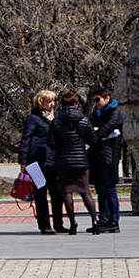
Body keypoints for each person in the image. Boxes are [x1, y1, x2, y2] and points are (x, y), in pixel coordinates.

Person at [51, 90, 97, 233]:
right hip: (81, 161)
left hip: (63, 161)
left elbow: (51, 142)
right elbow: (93, 140)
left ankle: (72, 223)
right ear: (76, 104)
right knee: (85, 192)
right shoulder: (84, 120)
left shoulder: (57, 121)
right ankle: (95, 221)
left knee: (67, 192)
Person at [19, 91, 60, 235]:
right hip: (37, 161)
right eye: (48, 102)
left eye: (53, 101)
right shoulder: (34, 119)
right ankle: (44, 224)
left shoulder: (56, 118)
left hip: (53, 160)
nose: (52, 104)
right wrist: (23, 160)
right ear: (41, 103)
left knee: (57, 192)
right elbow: (26, 139)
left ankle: (58, 223)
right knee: (41, 193)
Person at [88, 86, 125, 234]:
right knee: (101, 190)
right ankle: (103, 219)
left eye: (98, 99)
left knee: (109, 190)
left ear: (107, 98)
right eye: (94, 100)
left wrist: (96, 131)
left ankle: (113, 221)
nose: (96, 103)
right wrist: (94, 131)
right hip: (97, 156)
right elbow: (90, 130)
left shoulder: (115, 113)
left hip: (109, 156)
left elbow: (103, 132)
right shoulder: (96, 114)